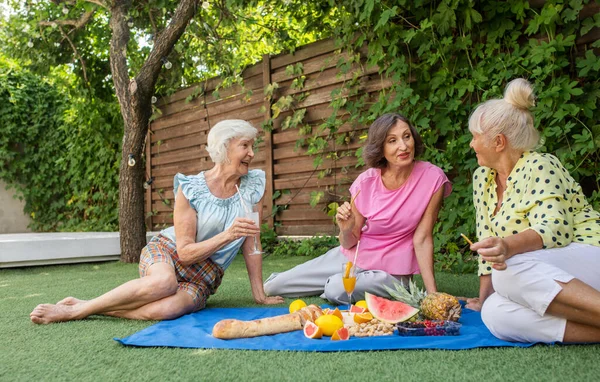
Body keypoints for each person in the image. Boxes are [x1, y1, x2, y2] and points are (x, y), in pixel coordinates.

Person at [30, 120, 284, 324]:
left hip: (205, 275)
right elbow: (184, 253)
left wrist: (259, 295)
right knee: (164, 283)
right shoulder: (191, 188)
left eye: (253, 146)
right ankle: (75, 312)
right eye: (245, 146)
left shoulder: (252, 186)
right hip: (169, 252)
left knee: (168, 309)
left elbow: (252, 244)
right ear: (225, 148)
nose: (252, 153)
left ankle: (85, 307)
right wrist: (227, 236)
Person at [263, 113, 452, 305]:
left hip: (392, 273)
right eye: (392, 141)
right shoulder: (366, 182)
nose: (403, 146)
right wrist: (346, 228)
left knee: (335, 288)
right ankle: (335, 281)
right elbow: (348, 243)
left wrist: (432, 294)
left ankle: (334, 284)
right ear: (381, 148)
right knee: (273, 286)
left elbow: (422, 238)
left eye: (406, 136)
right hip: (355, 258)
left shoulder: (433, 178)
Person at [465, 78, 600, 343]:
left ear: (499, 142)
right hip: (540, 274)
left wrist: (506, 246)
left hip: (589, 253)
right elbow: (485, 245)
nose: (471, 144)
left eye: (475, 137)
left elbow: (555, 230)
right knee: (495, 314)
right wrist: (483, 300)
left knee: (509, 270)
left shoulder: (541, 165)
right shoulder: (482, 178)